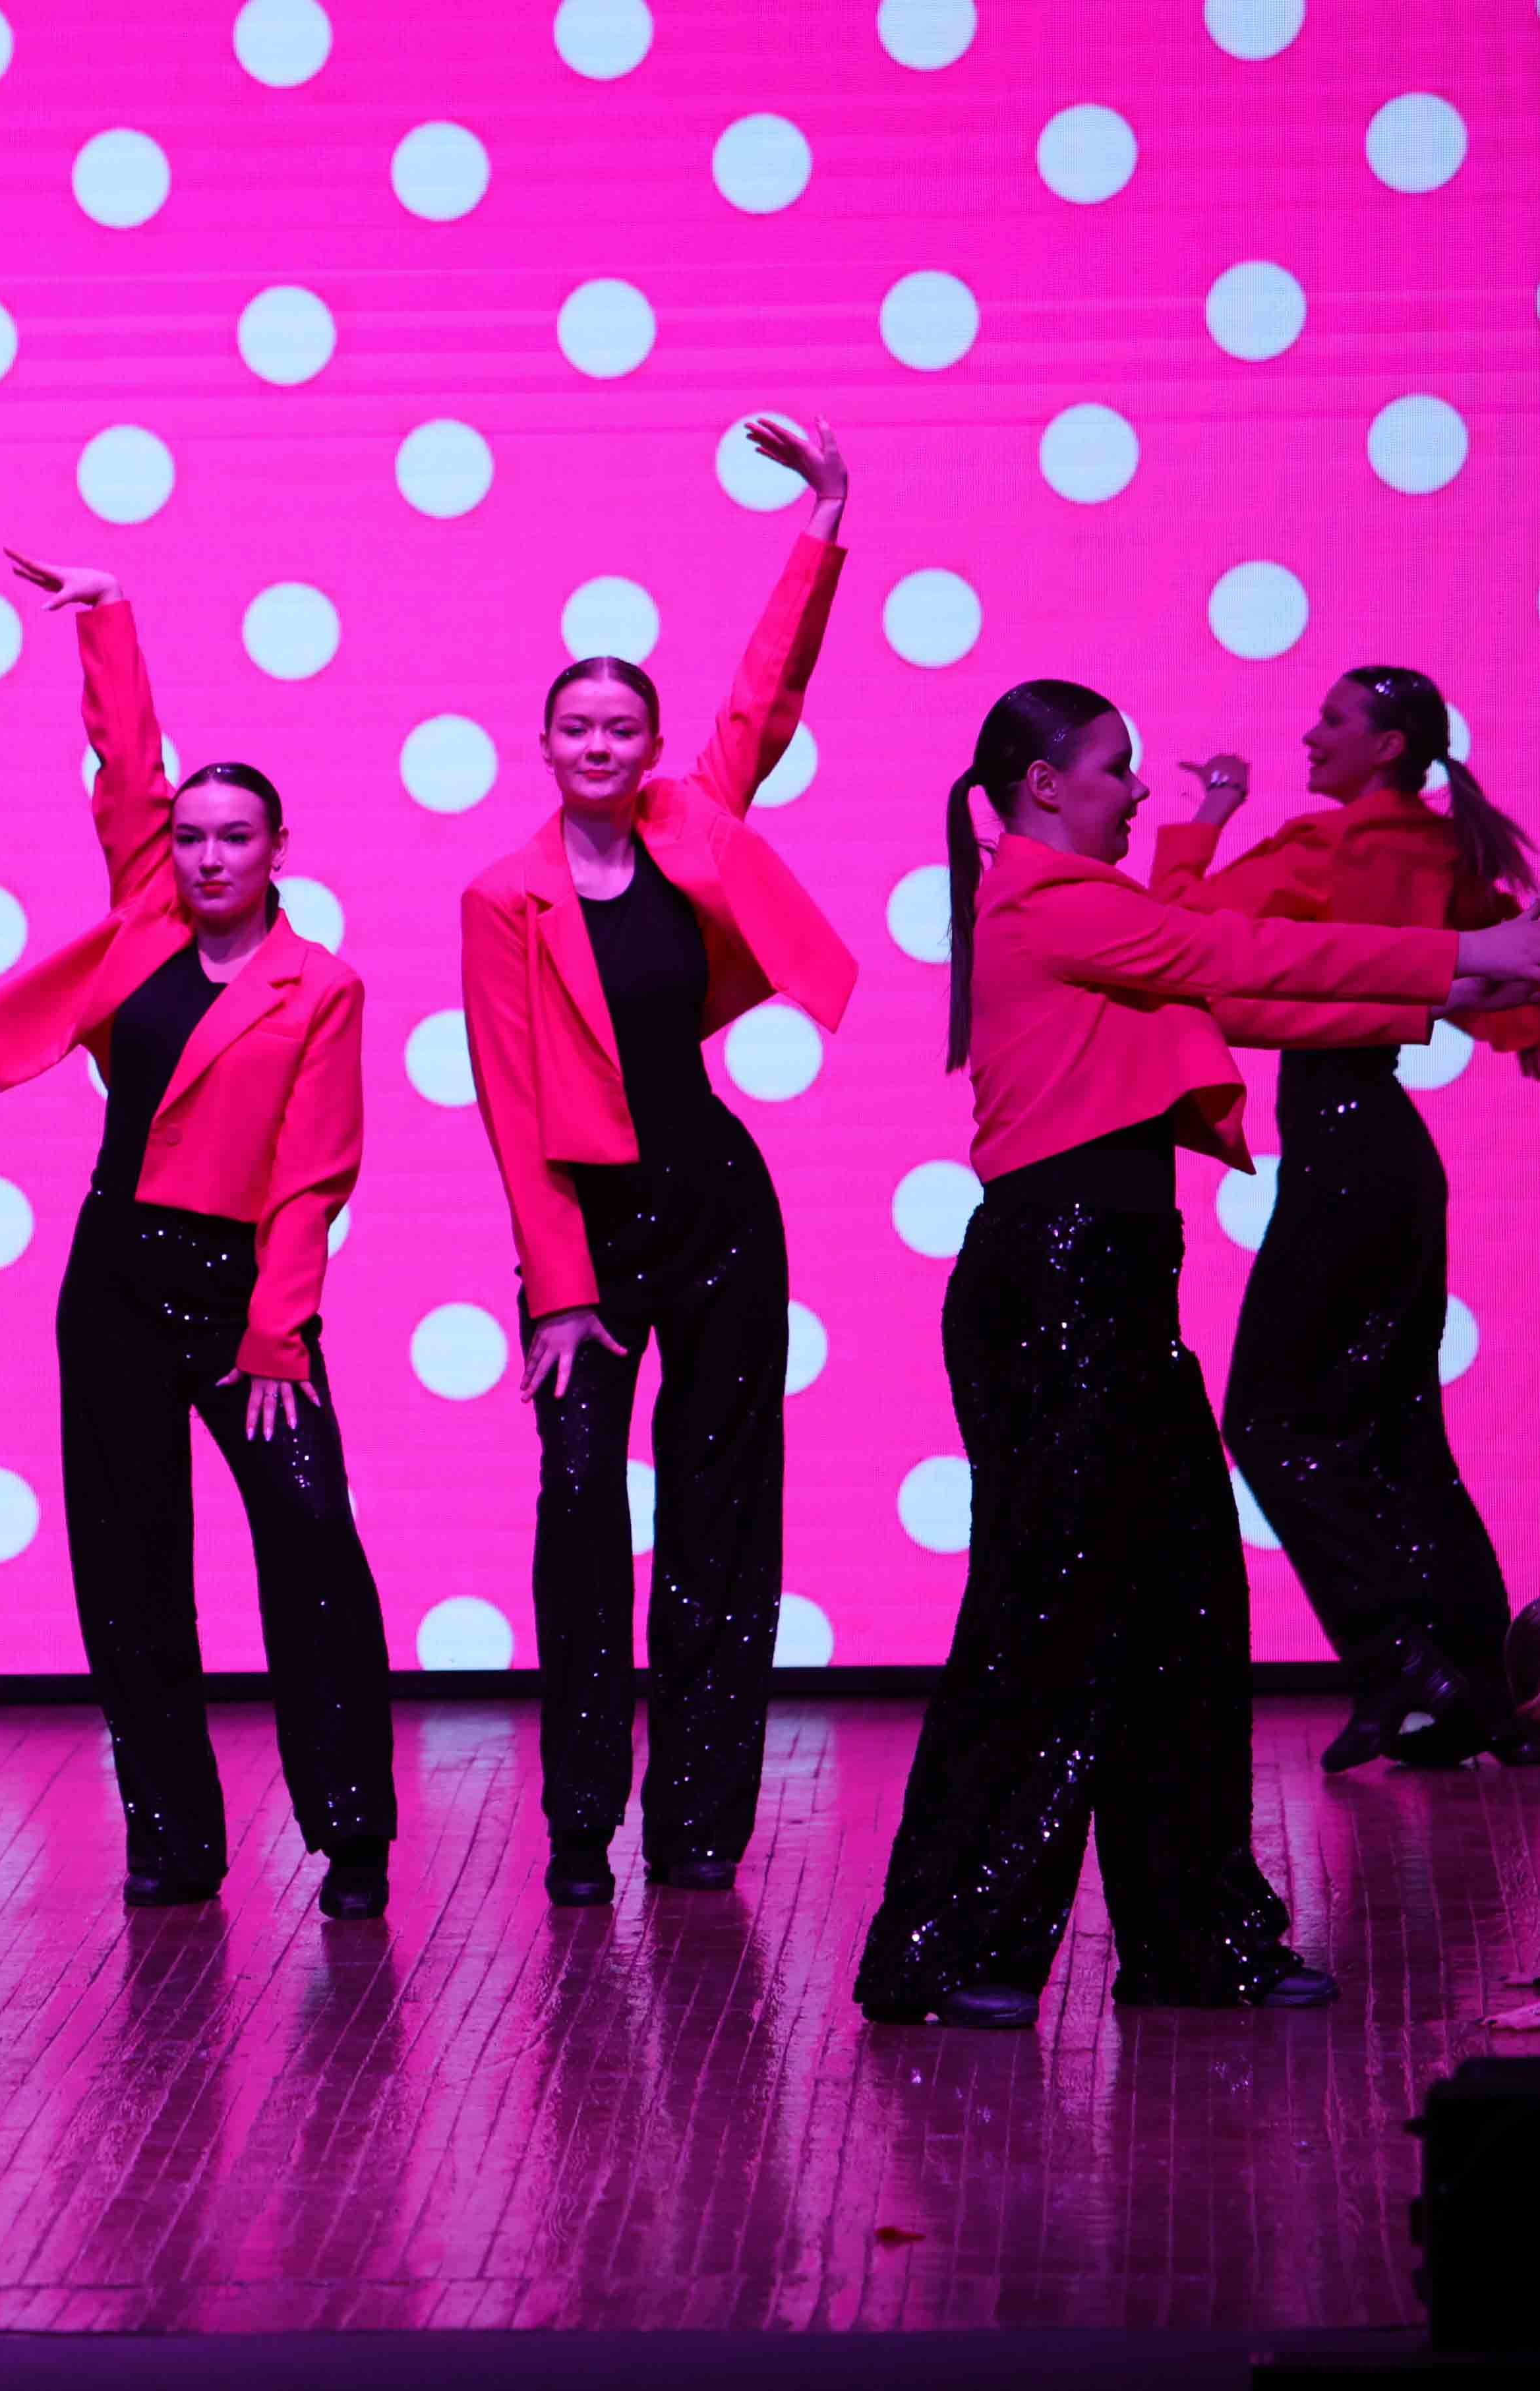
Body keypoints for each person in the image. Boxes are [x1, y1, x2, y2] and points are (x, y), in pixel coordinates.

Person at [853, 680, 1540, 2029]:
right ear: (1044, 785)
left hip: (1116, 1294)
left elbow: (1233, 974)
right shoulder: (1043, 901)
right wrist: (1477, 948)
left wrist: (1470, 973)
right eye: (1117, 767)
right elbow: (1230, 948)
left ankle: (1195, 1939)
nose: (1135, 788)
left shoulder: (1086, 904)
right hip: (1053, 1294)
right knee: (1041, 1625)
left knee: (1183, 1622)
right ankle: (943, 1946)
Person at [459, 419, 854, 1908]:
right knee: (579, 1513)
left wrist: (824, 514)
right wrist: (560, 1293)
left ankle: (697, 1822)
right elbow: (512, 1108)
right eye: (577, 728)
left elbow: (767, 691)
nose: (600, 747)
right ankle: (579, 1822)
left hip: (716, 1206)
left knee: (719, 1507)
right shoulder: (500, 897)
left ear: (647, 744)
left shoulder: (695, 827)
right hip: (586, 1230)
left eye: (624, 728)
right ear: (545, 745)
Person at [0, 548, 393, 1923]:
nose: (209, 854)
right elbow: (125, 773)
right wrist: (107, 619)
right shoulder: (144, 927)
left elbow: (314, 1175)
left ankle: (350, 1832)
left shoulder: (319, 986)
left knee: (312, 1544)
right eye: (194, 836)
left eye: (236, 836)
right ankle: (172, 1837)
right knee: (130, 1563)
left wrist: (279, 1333)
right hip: (113, 1275)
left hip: (244, 1294)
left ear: (279, 849)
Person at [1156, 669, 1535, 1770]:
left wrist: (1212, 811)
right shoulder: (1440, 848)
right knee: (1404, 1429)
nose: (1310, 736)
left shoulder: (1328, 849)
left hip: (1344, 1152)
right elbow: (1512, 992)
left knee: (1268, 1419)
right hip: (1397, 1161)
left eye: (1332, 721)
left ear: (1389, 745)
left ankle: (1396, 1659)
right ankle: (1478, 1688)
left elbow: (1173, 933)